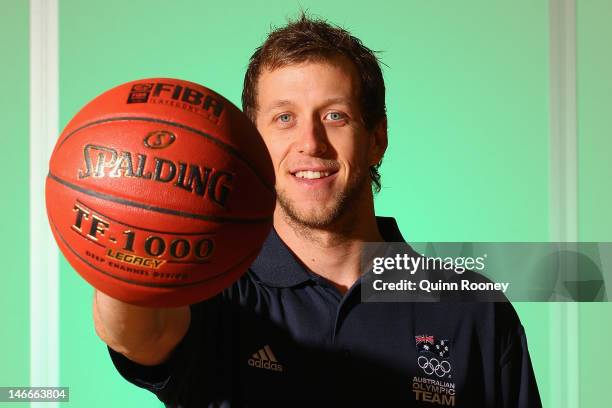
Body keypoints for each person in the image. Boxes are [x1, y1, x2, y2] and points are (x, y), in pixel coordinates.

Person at [94, 14, 542, 407]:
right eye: (284, 117)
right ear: (255, 143)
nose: (310, 142)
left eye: (334, 116)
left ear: (377, 139)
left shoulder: (473, 310)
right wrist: (126, 219)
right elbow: (135, 332)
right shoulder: (217, 292)